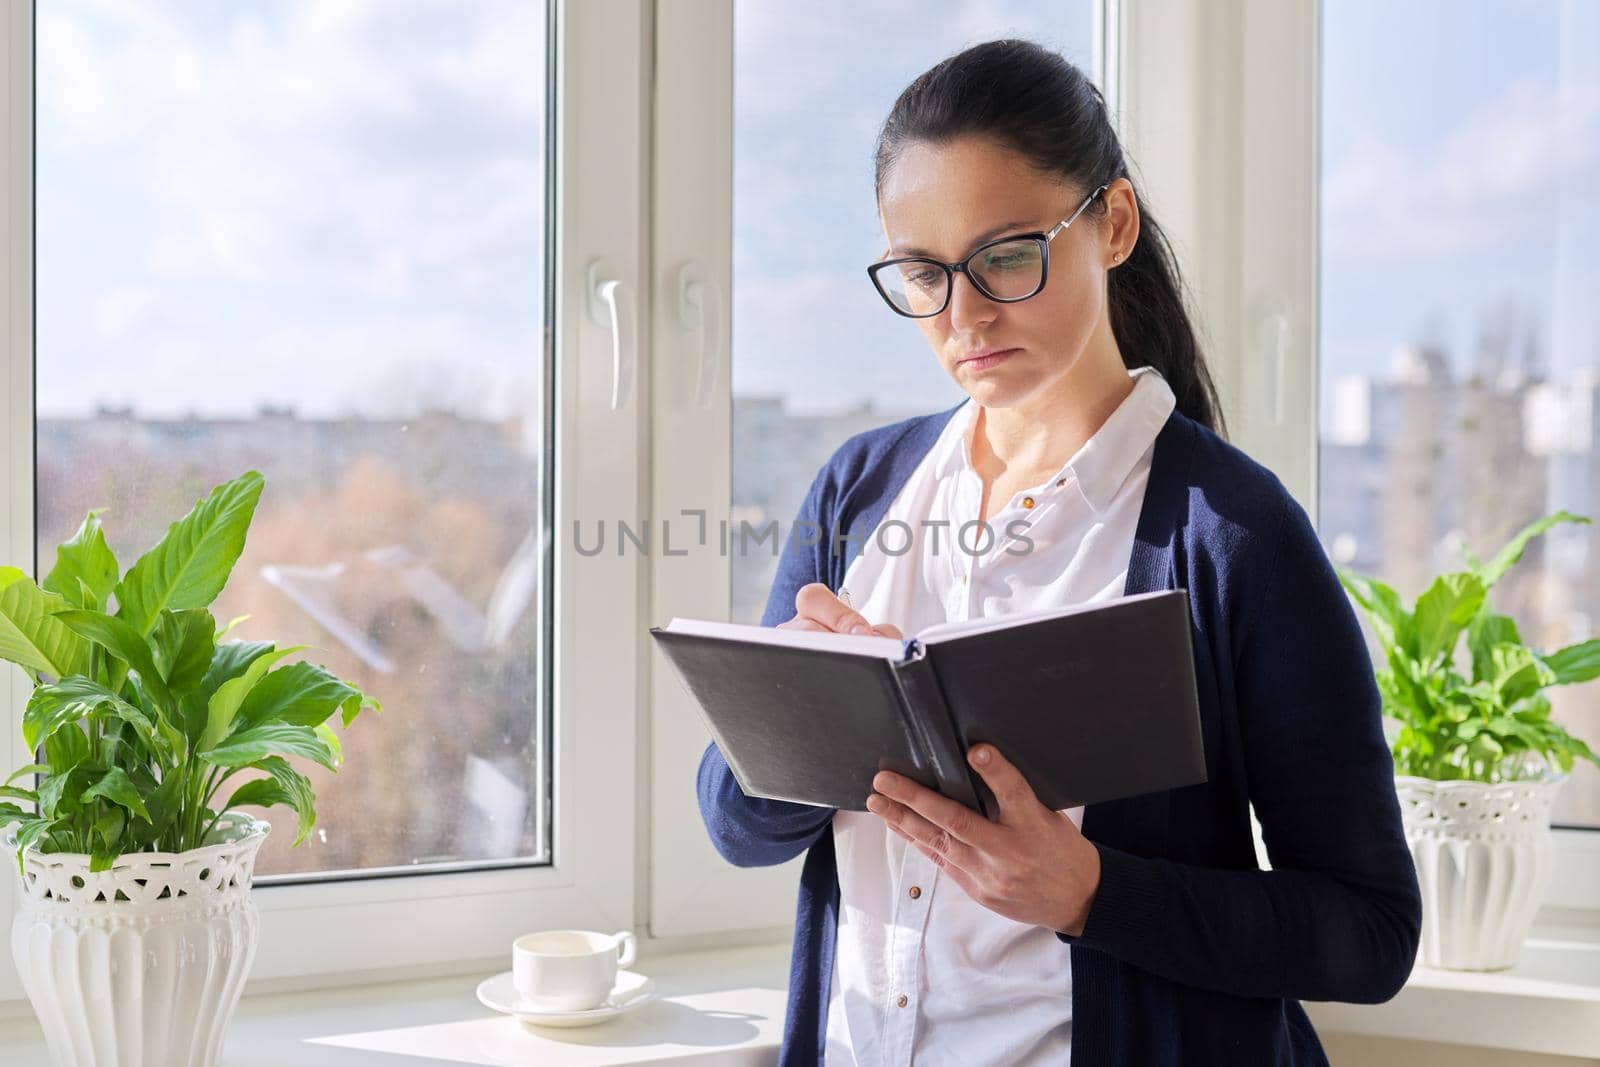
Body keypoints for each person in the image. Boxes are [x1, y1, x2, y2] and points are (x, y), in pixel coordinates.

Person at [696, 38, 1420, 1067]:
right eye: (922, 272)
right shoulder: (858, 491)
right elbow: (734, 827)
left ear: (1111, 224)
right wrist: (809, 720)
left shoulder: (1231, 537)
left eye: (1004, 256)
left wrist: (1089, 890)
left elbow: (1369, 932)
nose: (964, 315)